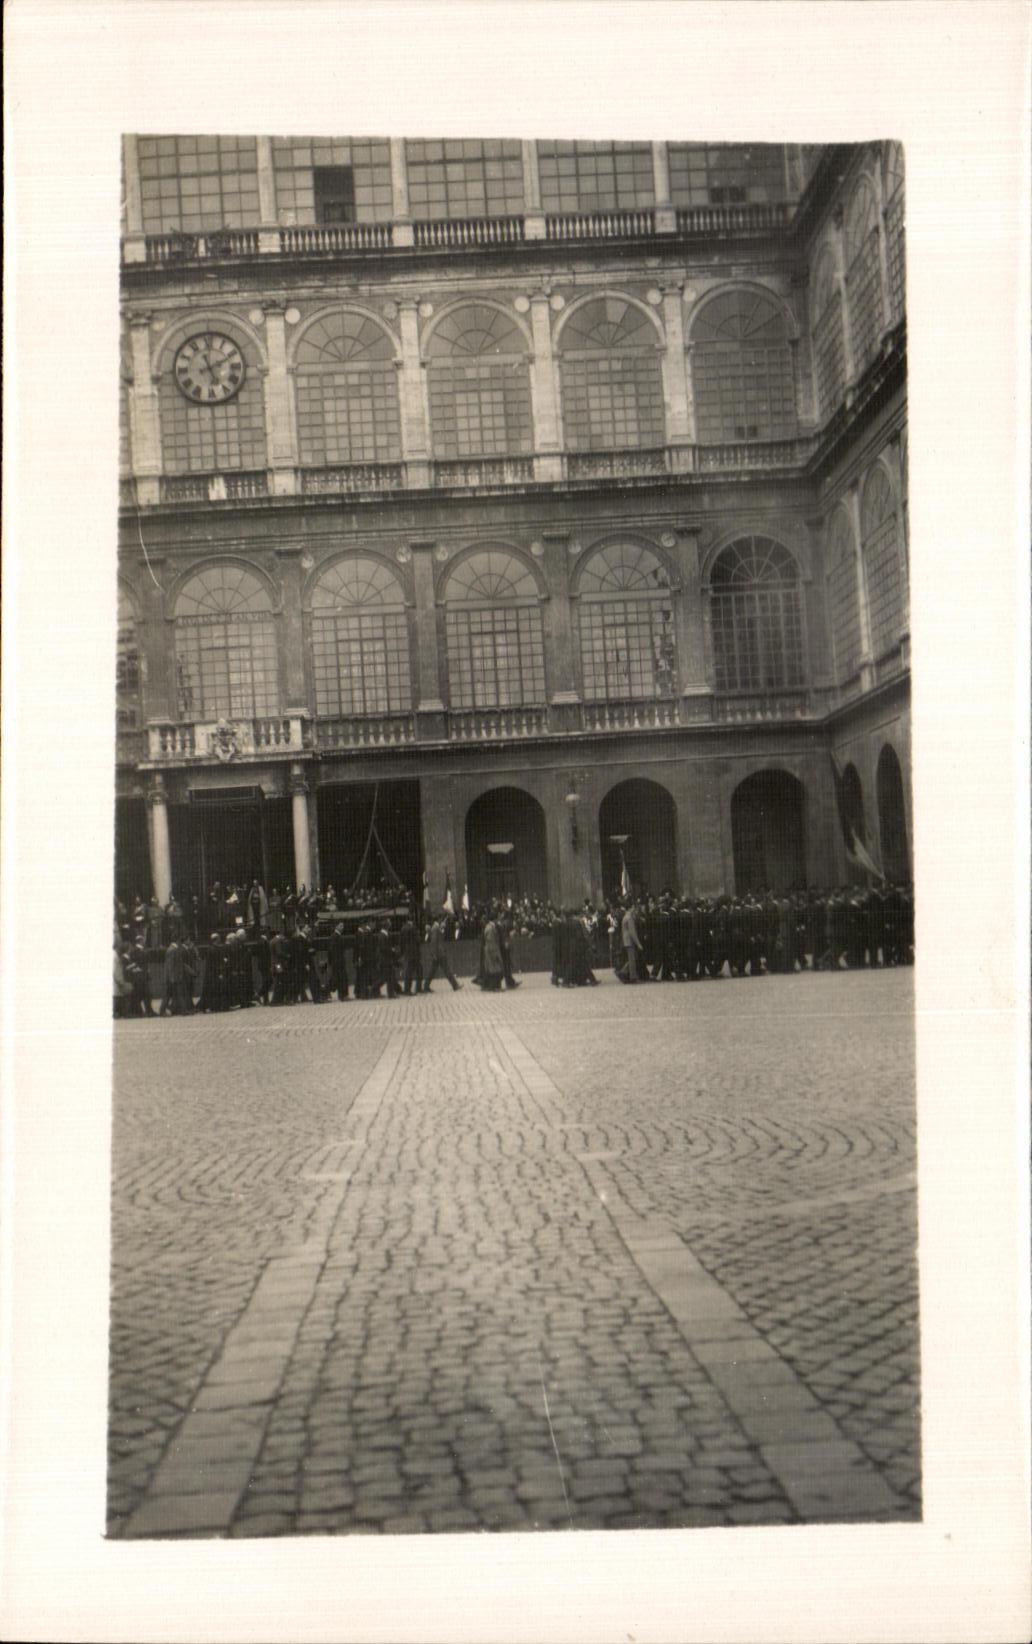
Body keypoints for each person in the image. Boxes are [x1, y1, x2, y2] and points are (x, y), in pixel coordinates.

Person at [423, 915, 462, 993]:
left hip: (438, 953)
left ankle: (426, 986)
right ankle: (455, 985)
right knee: (446, 970)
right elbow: (434, 942)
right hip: (439, 953)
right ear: (439, 919)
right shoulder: (435, 928)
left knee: (433, 970)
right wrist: (434, 954)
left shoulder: (436, 927)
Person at [476, 918, 504, 991]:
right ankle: (495, 987)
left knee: (492, 969)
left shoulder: (489, 927)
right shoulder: (491, 929)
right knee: (495, 969)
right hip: (492, 951)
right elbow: (491, 941)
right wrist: (495, 954)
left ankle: (491, 986)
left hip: (490, 951)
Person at [398, 910, 422, 996]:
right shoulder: (413, 928)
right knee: (418, 971)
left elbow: (401, 942)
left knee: (409, 971)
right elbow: (418, 940)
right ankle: (414, 988)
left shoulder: (403, 928)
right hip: (414, 953)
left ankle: (407, 989)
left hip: (407, 953)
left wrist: (402, 952)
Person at [620, 899, 644, 983]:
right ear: (631, 907)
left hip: (626, 940)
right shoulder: (630, 918)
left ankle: (624, 971)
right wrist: (638, 944)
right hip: (630, 941)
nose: (634, 909)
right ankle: (633, 977)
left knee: (632, 958)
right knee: (632, 959)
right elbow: (632, 932)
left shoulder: (625, 916)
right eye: (633, 907)